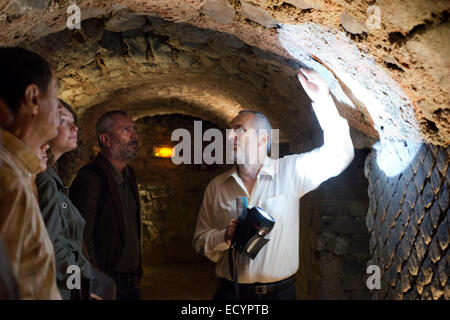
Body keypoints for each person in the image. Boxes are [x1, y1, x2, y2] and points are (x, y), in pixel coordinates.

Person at [193, 68, 355, 300]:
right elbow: (200, 241)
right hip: (231, 294)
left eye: (239, 130)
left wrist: (322, 100)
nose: (230, 137)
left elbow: (339, 155)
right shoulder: (217, 186)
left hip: (279, 294)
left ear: (263, 139)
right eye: (229, 132)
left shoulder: (290, 171)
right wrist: (224, 238)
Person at [35, 101, 115, 300]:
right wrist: (86, 279)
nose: (75, 127)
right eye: (63, 121)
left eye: (73, 121)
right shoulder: (44, 180)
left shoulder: (55, 179)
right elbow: (49, 248)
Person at [0, 47, 61, 299]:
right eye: (55, 95)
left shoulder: (20, 171)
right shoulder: (7, 178)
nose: (58, 107)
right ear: (34, 98)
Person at [70, 110, 143, 300]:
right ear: (106, 140)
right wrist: (98, 281)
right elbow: (81, 239)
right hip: (108, 283)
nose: (134, 135)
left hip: (129, 282)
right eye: (126, 130)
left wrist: (137, 270)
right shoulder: (91, 178)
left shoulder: (130, 175)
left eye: (134, 129)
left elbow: (132, 228)